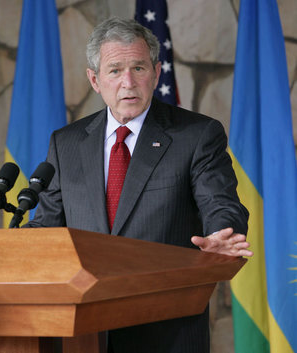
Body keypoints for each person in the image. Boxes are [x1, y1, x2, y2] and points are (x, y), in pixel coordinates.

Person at [26, 17, 252, 353]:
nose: (128, 82)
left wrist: (222, 233)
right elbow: (46, 230)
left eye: (139, 68)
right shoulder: (66, 143)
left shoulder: (196, 135)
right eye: (115, 70)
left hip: (166, 329)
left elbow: (221, 203)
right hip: (83, 332)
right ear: (95, 79)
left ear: (157, 73)